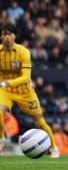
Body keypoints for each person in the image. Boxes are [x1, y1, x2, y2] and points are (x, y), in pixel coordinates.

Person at [0, 23, 60, 158]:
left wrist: (6, 82)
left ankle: (54, 147)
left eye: (10, 33)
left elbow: (26, 78)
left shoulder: (24, 52)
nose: (7, 36)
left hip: (25, 92)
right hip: (5, 91)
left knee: (39, 121)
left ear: (14, 36)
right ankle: (1, 140)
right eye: (4, 34)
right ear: (1, 36)